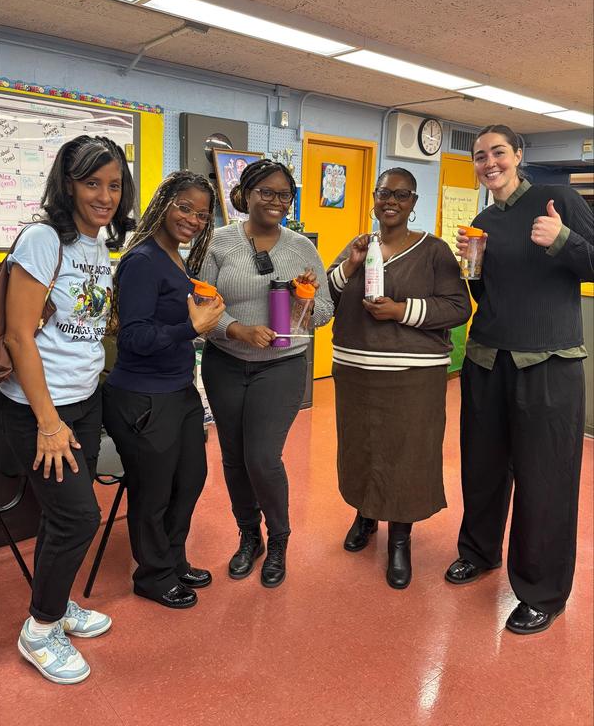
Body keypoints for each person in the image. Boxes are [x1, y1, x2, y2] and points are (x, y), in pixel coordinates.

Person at [445, 124, 594, 634]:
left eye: (499, 152)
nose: (489, 162)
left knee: (545, 481)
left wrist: (565, 241)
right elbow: (491, 300)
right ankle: (478, 551)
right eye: (481, 155)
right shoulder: (485, 219)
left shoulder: (559, 200)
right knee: (482, 468)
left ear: (519, 155)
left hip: (549, 365)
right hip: (487, 361)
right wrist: (475, 269)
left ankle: (542, 592)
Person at [0, 135, 136, 684]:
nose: (104, 196)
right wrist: (49, 423)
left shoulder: (98, 245)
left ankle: (54, 604)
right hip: (40, 411)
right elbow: (16, 337)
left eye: (114, 185)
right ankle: (40, 627)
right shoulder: (42, 238)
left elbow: (79, 325)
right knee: (79, 516)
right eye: (91, 183)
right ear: (68, 183)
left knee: (66, 517)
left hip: (84, 400)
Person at [327, 167, 471, 588]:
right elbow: (325, 300)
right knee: (361, 449)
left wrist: (401, 311)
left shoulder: (434, 251)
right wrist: (348, 267)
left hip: (412, 376)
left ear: (413, 203)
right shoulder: (359, 245)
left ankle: (401, 540)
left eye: (402, 195)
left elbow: (457, 307)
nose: (391, 201)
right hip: (355, 372)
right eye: (384, 193)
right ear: (374, 198)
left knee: (406, 455)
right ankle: (366, 515)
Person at [200, 159, 333, 588]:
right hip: (225, 364)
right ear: (246, 194)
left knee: (262, 457)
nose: (275, 201)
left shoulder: (301, 248)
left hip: (281, 366)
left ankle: (278, 540)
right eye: (266, 192)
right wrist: (235, 328)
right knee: (234, 458)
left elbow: (326, 312)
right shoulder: (217, 242)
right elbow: (201, 306)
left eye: (283, 195)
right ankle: (248, 536)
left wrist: (304, 299)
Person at [102, 171, 225, 609]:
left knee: (189, 481)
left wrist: (201, 320)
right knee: (153, 492)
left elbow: (171, 325)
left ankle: (173, 560)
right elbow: (132, 337)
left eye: (201, 214)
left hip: (179, 392)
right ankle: (152, 575)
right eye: (184, 207)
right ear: (164, 202)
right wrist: (191, 327)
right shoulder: (142, 261)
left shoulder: (177, 259)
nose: (192, 219)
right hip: (142, 396)